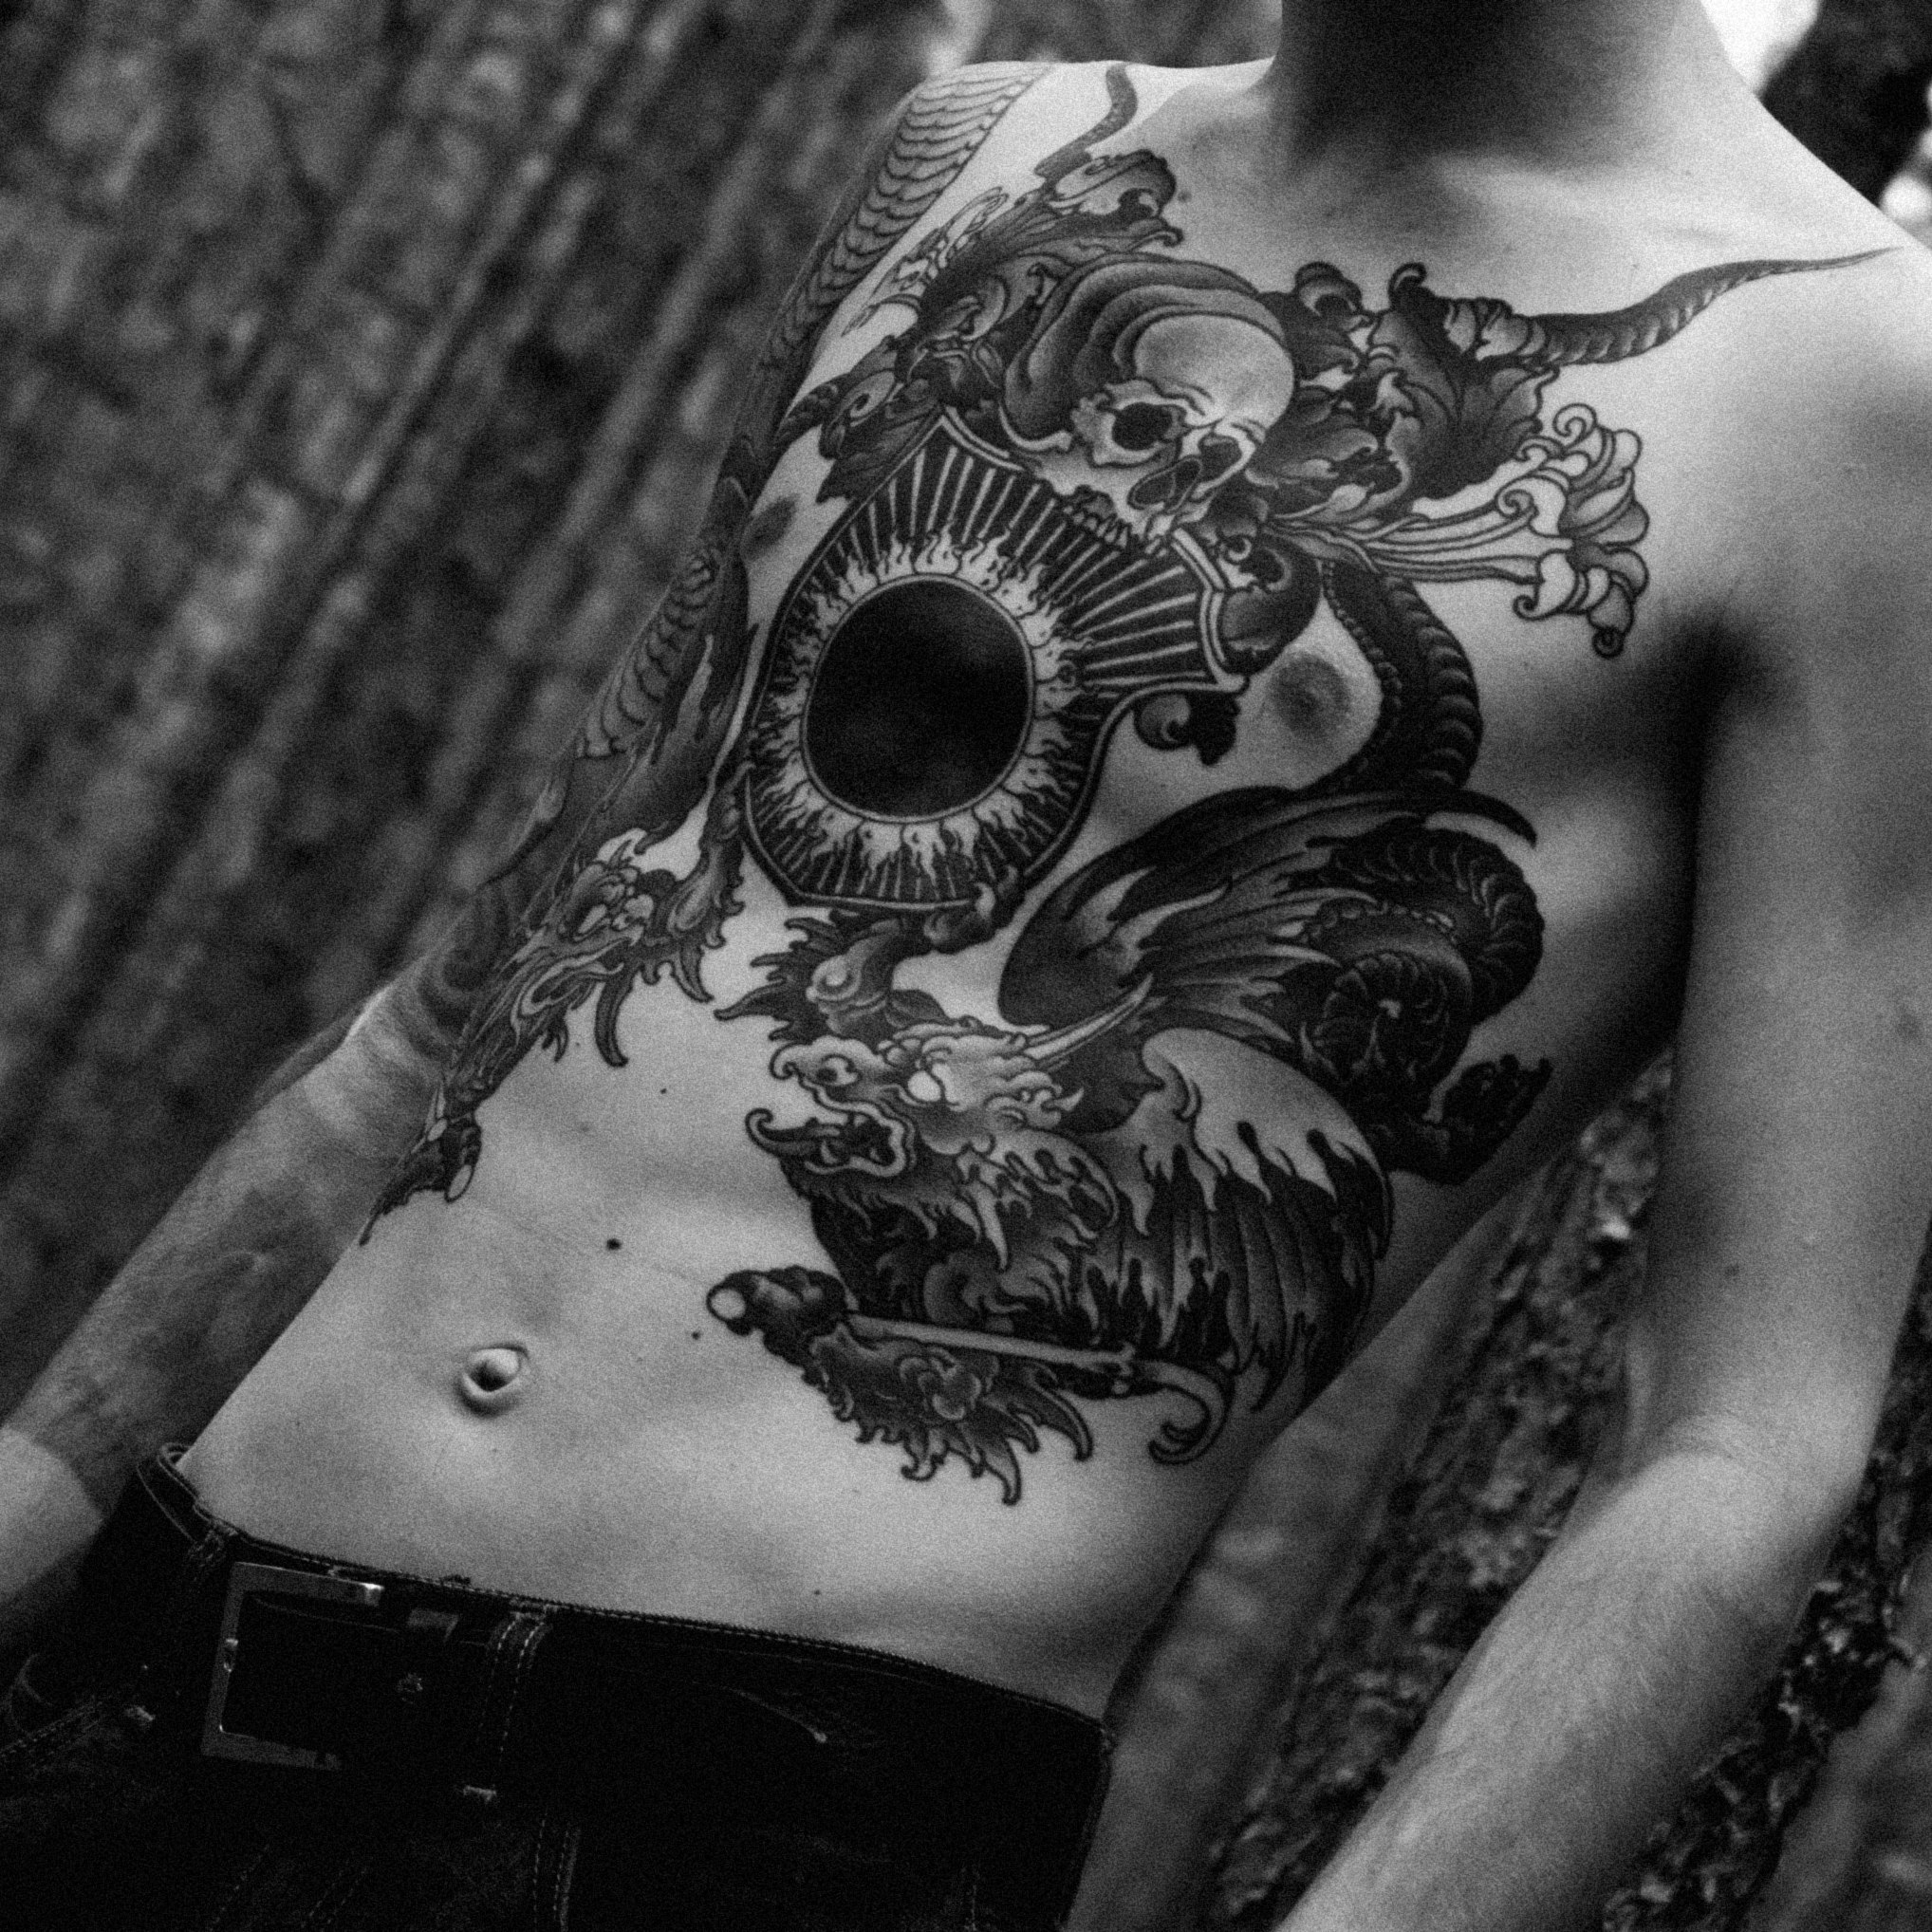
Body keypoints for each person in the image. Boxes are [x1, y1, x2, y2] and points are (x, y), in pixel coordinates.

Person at [5, 1, 1932, 1925]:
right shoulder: (982, 151)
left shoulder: (1850, 390)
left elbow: (1735, 1446)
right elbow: (471, 996)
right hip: (143, 1677)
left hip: (735, 1830)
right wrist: (39, 1500)